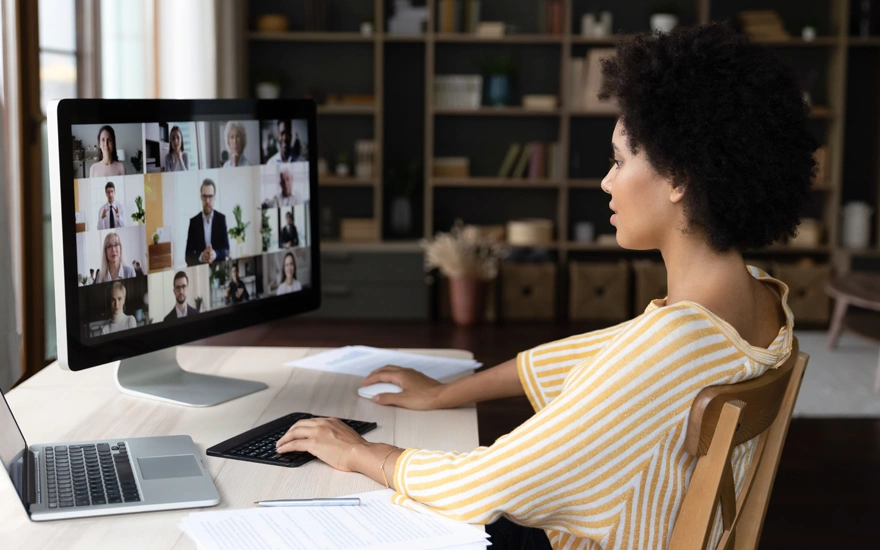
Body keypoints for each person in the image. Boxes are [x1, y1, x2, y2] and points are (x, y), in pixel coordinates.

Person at [272, 23, 817, 550]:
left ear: (678, 179)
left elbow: (484, 484)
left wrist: (363, 451)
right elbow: (591, 356)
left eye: (619, 160)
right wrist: (444, 393)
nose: (606, 181)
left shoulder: (673, 343)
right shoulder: (760, 299)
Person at [185, 179, 229, 266]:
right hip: (200, 267)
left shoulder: (221, 219)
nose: (207, 201)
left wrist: (215, 254)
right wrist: (201, 256)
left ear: (214, 197)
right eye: (204, 197)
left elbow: (226, 250)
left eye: (210, 196)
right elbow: (187, 256)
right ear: (201, 197)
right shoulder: (193, 222)